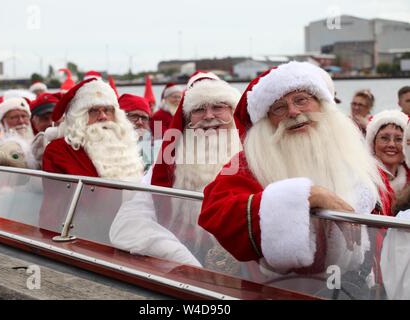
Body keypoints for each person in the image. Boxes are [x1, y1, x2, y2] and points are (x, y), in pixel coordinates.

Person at [198, 61, 393, 279]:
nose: (293, 111)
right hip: (283, 289)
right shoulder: (252, 162)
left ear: (321, 103)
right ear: (268, 120)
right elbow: (216, 210)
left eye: (301, 100)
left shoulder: (354, 153)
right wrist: (306, 196)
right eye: (279, 107)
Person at [110, 72, 242, 268]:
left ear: (233, 111)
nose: (208, 116)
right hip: (187, 259)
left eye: (218, 107)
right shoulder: (166, 164)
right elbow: (130, 220)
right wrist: (178, 257)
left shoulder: (254, 153)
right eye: (198, 109)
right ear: (187, 119)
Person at [42, 78, 144, 182]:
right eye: (94, 110)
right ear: (78, 117)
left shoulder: (126, 146)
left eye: (108, 110)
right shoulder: (58, 151)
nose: (103, 117)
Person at [366, 110, 410, 195]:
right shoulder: (362, 180)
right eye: (384, 138)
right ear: (373, 143)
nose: (391, 144)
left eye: (399, 139)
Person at [118, 93, 160, 172]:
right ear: (121, 117)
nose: (140, 122)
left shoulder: (154, 149)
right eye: (134, 116)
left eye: (144, 118)